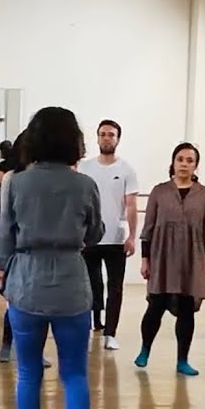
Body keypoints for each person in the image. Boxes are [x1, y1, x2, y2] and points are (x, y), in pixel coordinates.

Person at [0, 106, 104, 409]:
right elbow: (95, 233)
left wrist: (4, 272)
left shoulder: (16, 182)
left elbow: (4, 236)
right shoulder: (85, 184)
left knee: (28, 372)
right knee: (75, 372)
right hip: (73, 282)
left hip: (27, 280)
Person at [134, 143, 205, 376]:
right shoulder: (159, 191)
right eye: (180, 159)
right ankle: (144, 350)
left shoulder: (204, 194)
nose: (184, 164)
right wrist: (145, 259)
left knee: (186, 310)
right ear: (172, 162)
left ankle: (183, 360)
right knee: (155, 307)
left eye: (189, 160)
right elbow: (148, 228)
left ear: (195, 165)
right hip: (162, 258)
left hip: (191, 261)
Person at [77, 119, 139, 350]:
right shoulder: (85, 168)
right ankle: (96, 322)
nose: (106, 138)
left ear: (118, 139)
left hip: (116, 238)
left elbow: (131, 205)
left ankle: (111, 332)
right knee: (93, 284)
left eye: (111, 135)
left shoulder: (126, 170)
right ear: (97, 137)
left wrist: (132, 236)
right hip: (89, 237)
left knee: (116, 286)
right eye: (103, 134)